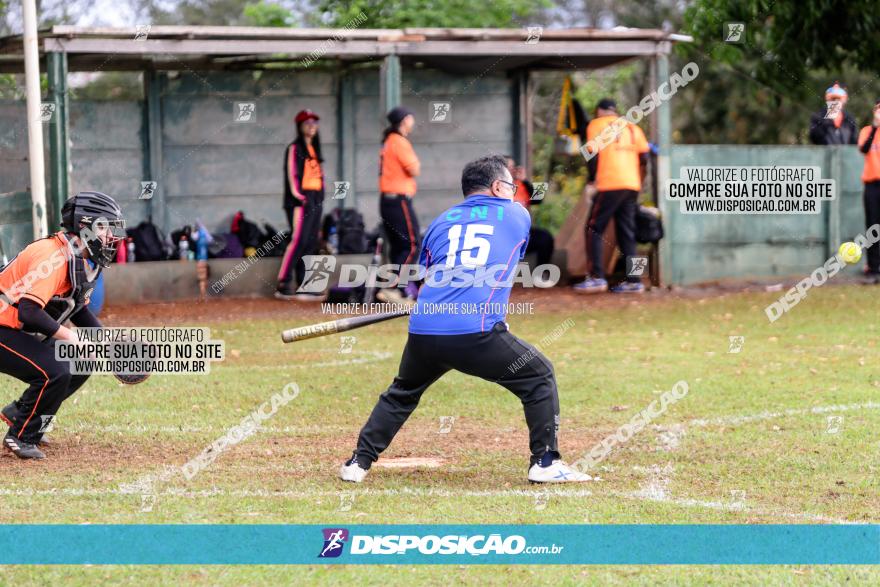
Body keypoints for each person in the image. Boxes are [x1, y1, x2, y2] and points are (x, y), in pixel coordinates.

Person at [340, 154, 589, 484]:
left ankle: (358, 462)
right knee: (539, 376)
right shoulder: (517, 214)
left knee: (403, 392)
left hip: (427, 327)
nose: (514, 193)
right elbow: (502, 262)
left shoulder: (440, 222)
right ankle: (545, 462)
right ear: (498, 186)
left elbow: (425, 276)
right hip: (475, 332)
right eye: (511, 187)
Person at [0, 191, 125, 459]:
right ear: (84, 225)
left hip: (11, 328)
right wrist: (72, 337)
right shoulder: (51, 256)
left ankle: (20, 413)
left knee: (81, 361)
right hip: (3, 326)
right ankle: (20, 437)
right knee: (55, 371)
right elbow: (29, 312)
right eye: (104, 227)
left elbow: (77, 310)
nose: (110, 236)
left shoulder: (80, 257)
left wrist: (107, 345)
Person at [574, 98, 649, 294]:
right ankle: (635, 281)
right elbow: (644, 158)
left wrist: (592, 181)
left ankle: (597, 277)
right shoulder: (632, 127)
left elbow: (592, 154)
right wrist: (637, 182)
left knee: (593, 228)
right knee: (627, 233)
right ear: (614, 111)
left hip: (609, 183)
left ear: (599, 111)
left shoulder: (596, 124)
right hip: (631, 184)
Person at [276, 109, 326, 301]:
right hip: (300, 200)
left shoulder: (314, 148)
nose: (312, 126)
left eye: (314, 122)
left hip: (315, 199)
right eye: (307, 123)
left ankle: (305, 284)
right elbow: (292, 174)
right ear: (300, 126)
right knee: (298, 240)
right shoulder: (294, 148)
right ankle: (283, 282)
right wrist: (300, 196)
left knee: (310, 241)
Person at [377, 106, 421, 305]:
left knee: (399, 246)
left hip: (388, 201)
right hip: (399, 200)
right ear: (404, 120)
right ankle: (395, 288)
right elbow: (414, 169)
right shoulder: (399, 141)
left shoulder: (389, 141)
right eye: (410, 117)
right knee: (412, 244)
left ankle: (398, 290)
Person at [505, 155, 555, 286]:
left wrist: (525, 180)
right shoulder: (496, 186)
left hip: (522, 235)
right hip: (503, 235)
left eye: (513, 167)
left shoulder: (522, 185)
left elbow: (539, 199)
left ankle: (541, 276)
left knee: (546, 237)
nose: (512, 170)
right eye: (508, 167)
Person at [858, 99, 880, 283]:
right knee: (873, 228)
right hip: (872, 185)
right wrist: (874, 127)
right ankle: (873, 269)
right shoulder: (867, 131)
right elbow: (864, 149)